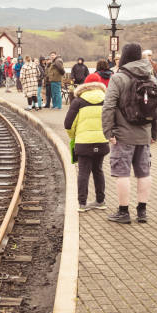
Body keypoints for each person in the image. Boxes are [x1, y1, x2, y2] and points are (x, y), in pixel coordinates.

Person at [102, 42, 157, 224]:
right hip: (144, 134)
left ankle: (123, 212)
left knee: (122, 174)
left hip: (122, 135)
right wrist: (154, 133)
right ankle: (142, 212)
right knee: (144, 173)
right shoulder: (150, 77)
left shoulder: (118, 77)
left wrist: (108, 131)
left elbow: (108, 107)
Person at [64, 75, 110, 212]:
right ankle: (100, 201)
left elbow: (68, 124)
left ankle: (82, 204)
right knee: (98, 170)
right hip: (101, 141)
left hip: (83, 142)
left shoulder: (78, 101)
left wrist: (74, 137)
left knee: (83, 172)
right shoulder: (106, 100)